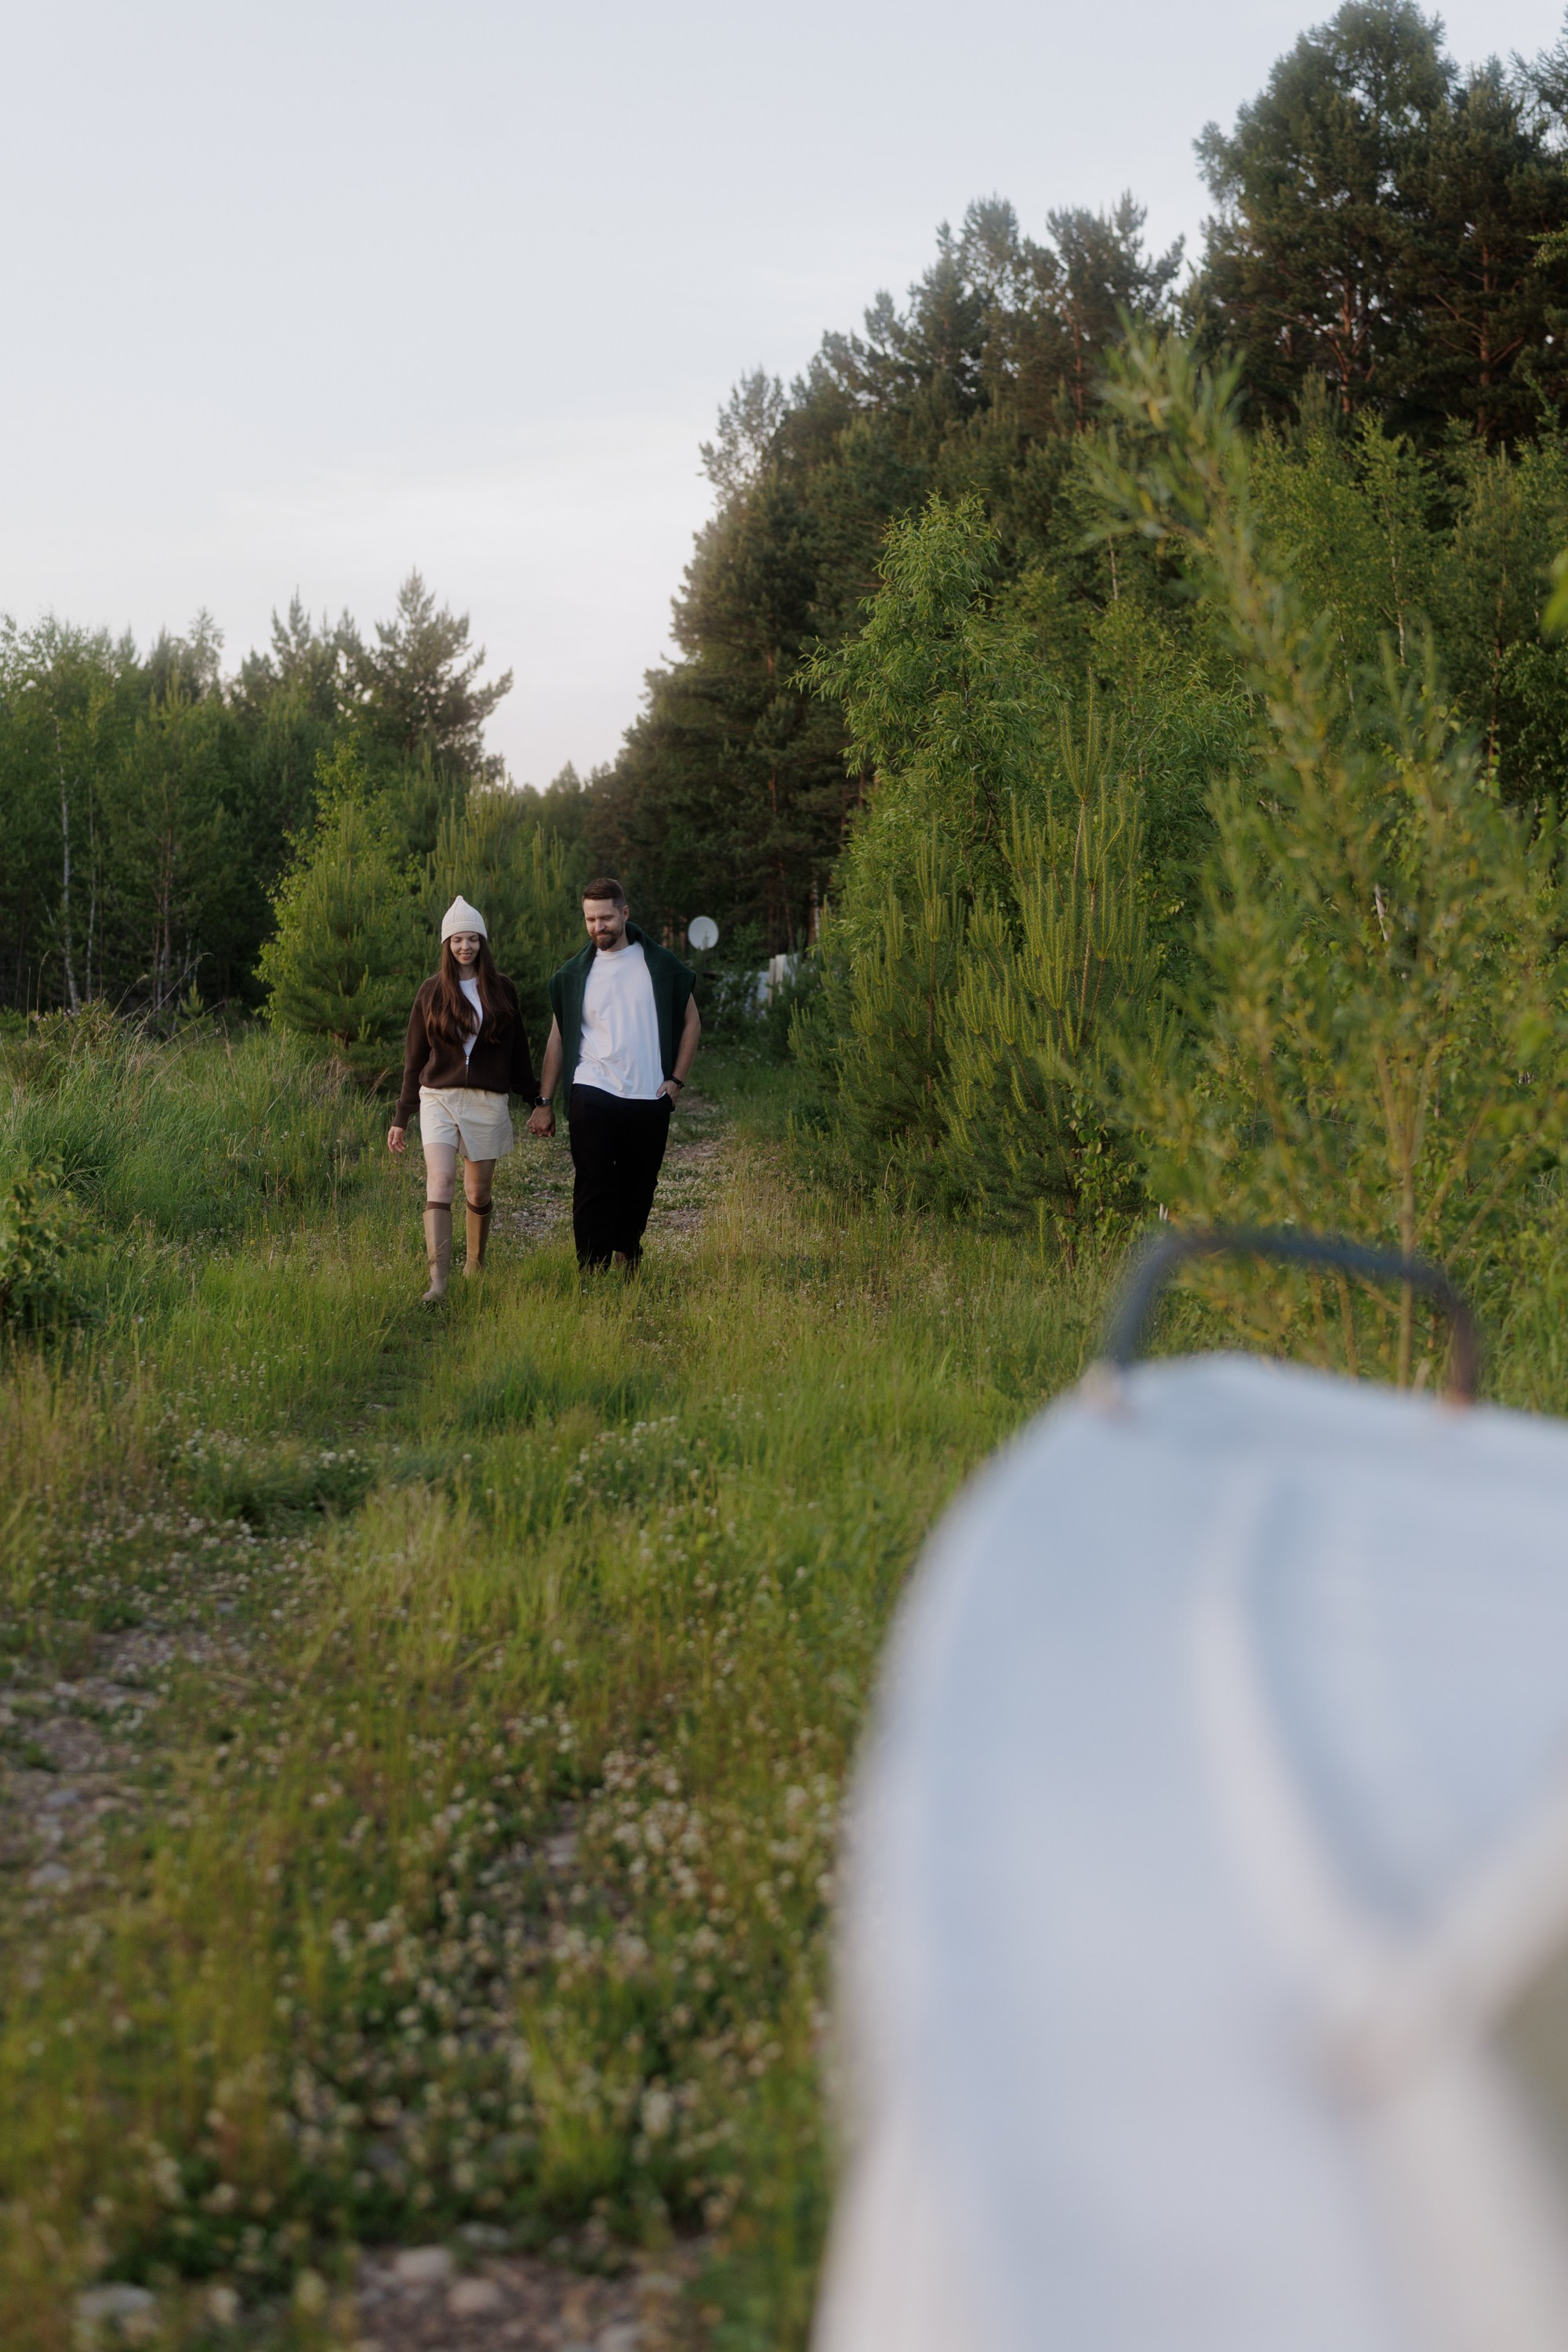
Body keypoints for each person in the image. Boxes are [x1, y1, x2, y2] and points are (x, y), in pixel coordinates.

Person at [529, 877, 700, 1271]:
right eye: (590, 919)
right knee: (593, 1179)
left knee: (639, 1183)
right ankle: (591, 1264)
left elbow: (693, 1022)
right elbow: (557, 1038)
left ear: (624, 913)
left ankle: (628, 1248)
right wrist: (545, 1101)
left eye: (605, 917)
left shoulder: (659, 965)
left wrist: (675, 1081)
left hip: (649, 1093)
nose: (597, 927)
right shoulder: (573, 975)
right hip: (592, 1087)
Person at [387, 896, 541, 1302]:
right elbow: (414, 1059)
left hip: (486, 1102)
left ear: (482, 943)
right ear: (447, 944)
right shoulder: (432, 992)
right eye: (457, 940)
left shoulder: (502, 990)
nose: (465, 947)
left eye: (472, 939)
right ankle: (437, 1283)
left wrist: (537, 1100)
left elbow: (519, 1053)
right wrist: (402, 1115)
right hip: (438, 1097)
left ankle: (475, 1263)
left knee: (478, 1192)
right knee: (440, 1180)